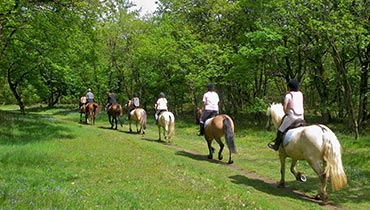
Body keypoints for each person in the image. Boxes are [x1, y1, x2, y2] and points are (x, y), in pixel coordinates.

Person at [268, 78, 304, 151]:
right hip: (301, 117)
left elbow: (285, 107)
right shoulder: (300, 94)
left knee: (280, 130)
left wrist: (286, 113)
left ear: (290, 87)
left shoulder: (288, 95)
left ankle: (276, 146)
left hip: (292, 117)